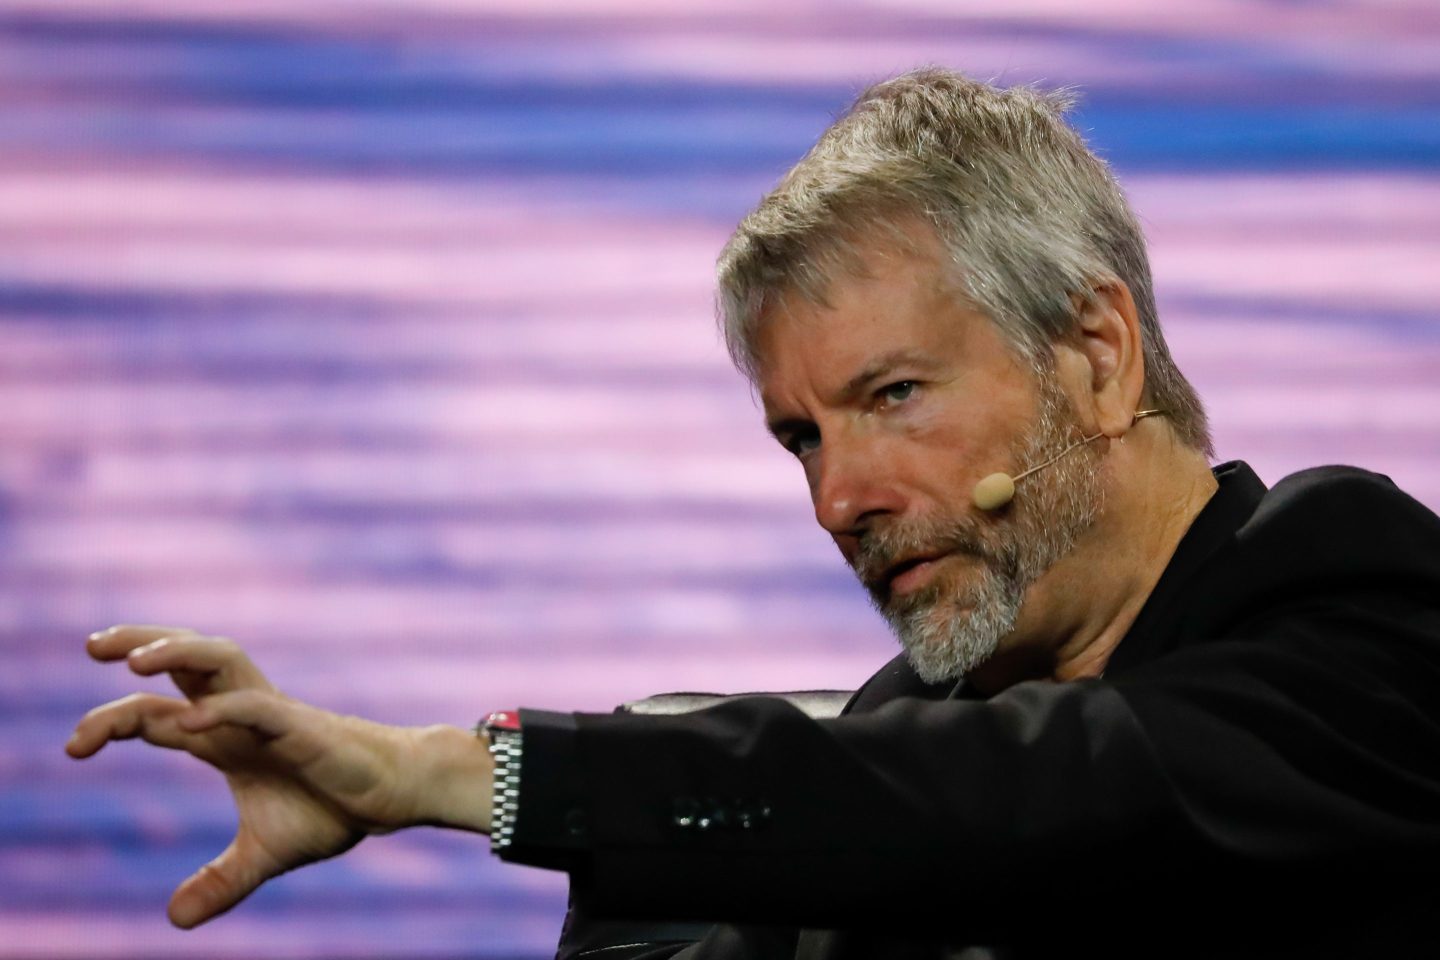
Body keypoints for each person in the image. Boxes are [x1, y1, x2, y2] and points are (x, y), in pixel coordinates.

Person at [68, 68, 1440, 959]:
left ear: (1096, 358)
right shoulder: (888, 747)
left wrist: (443, 775)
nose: (840, 499)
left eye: (894, 394)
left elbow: (1042, 795)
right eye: (802, 437)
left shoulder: (1360, 601)